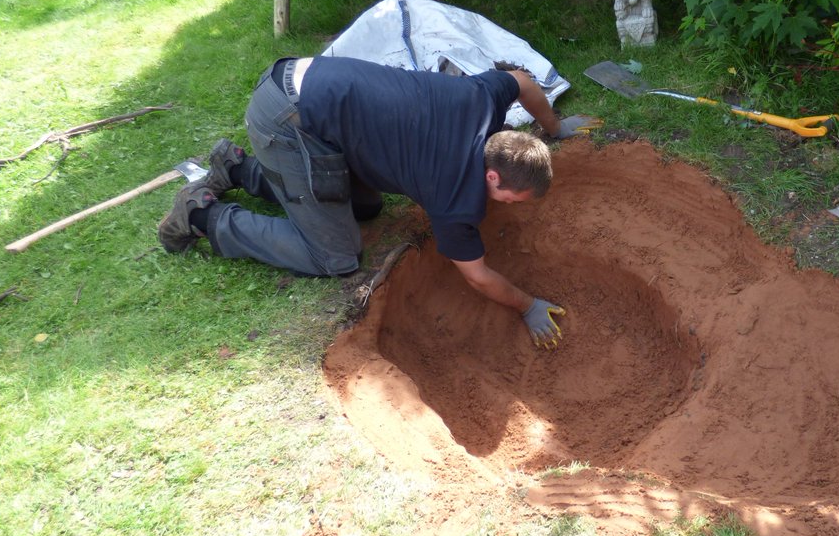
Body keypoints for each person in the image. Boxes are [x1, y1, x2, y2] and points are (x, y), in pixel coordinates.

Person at [157, 56, 601, 349]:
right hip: (287, 119)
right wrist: (527, 305)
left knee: (366, 207)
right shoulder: (452, 194)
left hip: (305, 79)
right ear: (492, 176)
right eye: (512, 198)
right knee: (335, 255)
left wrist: (555, 128)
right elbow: (477, 276)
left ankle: (237, 168)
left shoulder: (481, 99)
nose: (511, 205)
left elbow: (521, 81)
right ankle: (202, 214)